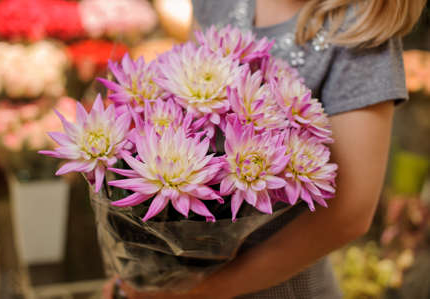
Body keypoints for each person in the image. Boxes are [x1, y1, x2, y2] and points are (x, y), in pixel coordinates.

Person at [103, 0, 427, 298]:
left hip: (280, 287)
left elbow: (349, 216)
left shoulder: (361, 30)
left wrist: (198, 293)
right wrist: (138, 275)